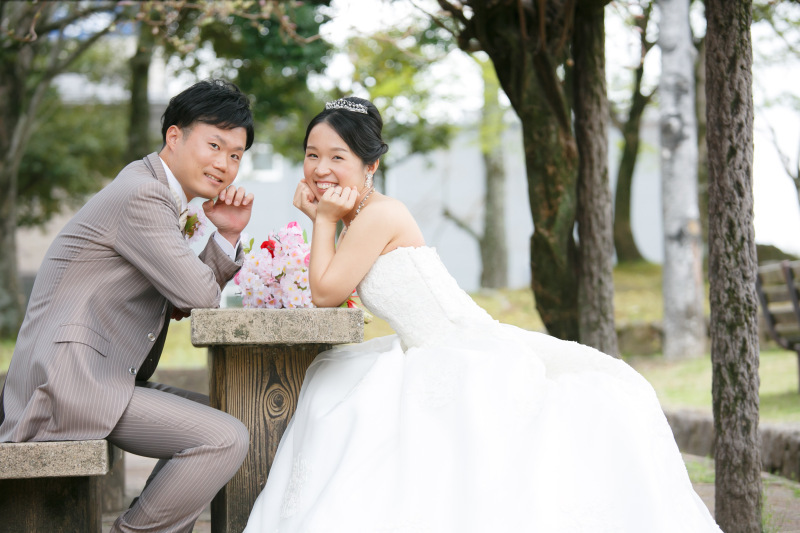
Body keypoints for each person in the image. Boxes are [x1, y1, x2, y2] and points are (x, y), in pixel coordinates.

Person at [243, 97, 723, 533]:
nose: (320, 168)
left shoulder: (379, 215)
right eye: (311, 154)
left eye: (337, 156)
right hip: (424, 345)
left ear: (370, 165)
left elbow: (325, 292)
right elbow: (329, 280)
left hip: (456, 344)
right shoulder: (357, 218)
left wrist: (322, 219)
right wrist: (323, 219)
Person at [0, 79, 255, 533]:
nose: (224, 164)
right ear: (174, 137)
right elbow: (197, 297)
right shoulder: (144, 194)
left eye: (235, 155)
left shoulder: (152, 193)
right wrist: (218, 241)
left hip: (99, 377)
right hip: (67, 383)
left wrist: (227, 236)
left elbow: (182, 302)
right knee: (222, 438)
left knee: (225, 423)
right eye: (214, 145)